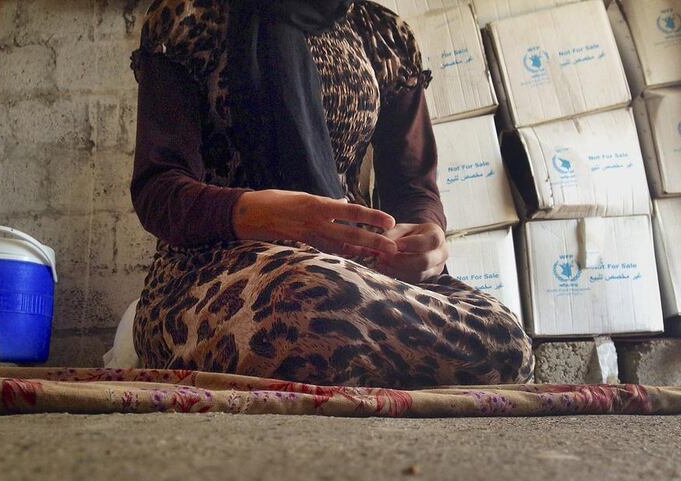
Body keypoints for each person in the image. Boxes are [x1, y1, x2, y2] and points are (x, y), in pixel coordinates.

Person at [130, 0, 533, 388]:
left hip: (352, 264)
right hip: (210, 268)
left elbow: (412, 187)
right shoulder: (190, 14)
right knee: (309, 301)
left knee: (507, 343)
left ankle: (350, 349)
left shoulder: (384, 35)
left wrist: (426, 238)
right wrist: (265, 215)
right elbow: (159, 187)